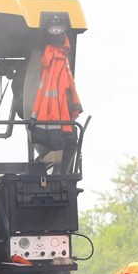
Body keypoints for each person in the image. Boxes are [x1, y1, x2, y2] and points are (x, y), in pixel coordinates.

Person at [30, 33, 83, 173]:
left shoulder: (54, 64)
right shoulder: (60, 62)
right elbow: (70, 88)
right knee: (62, 146)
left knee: (62, 146)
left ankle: (52, 172)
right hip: (56, 123)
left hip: (52, 123)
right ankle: (55, 174)